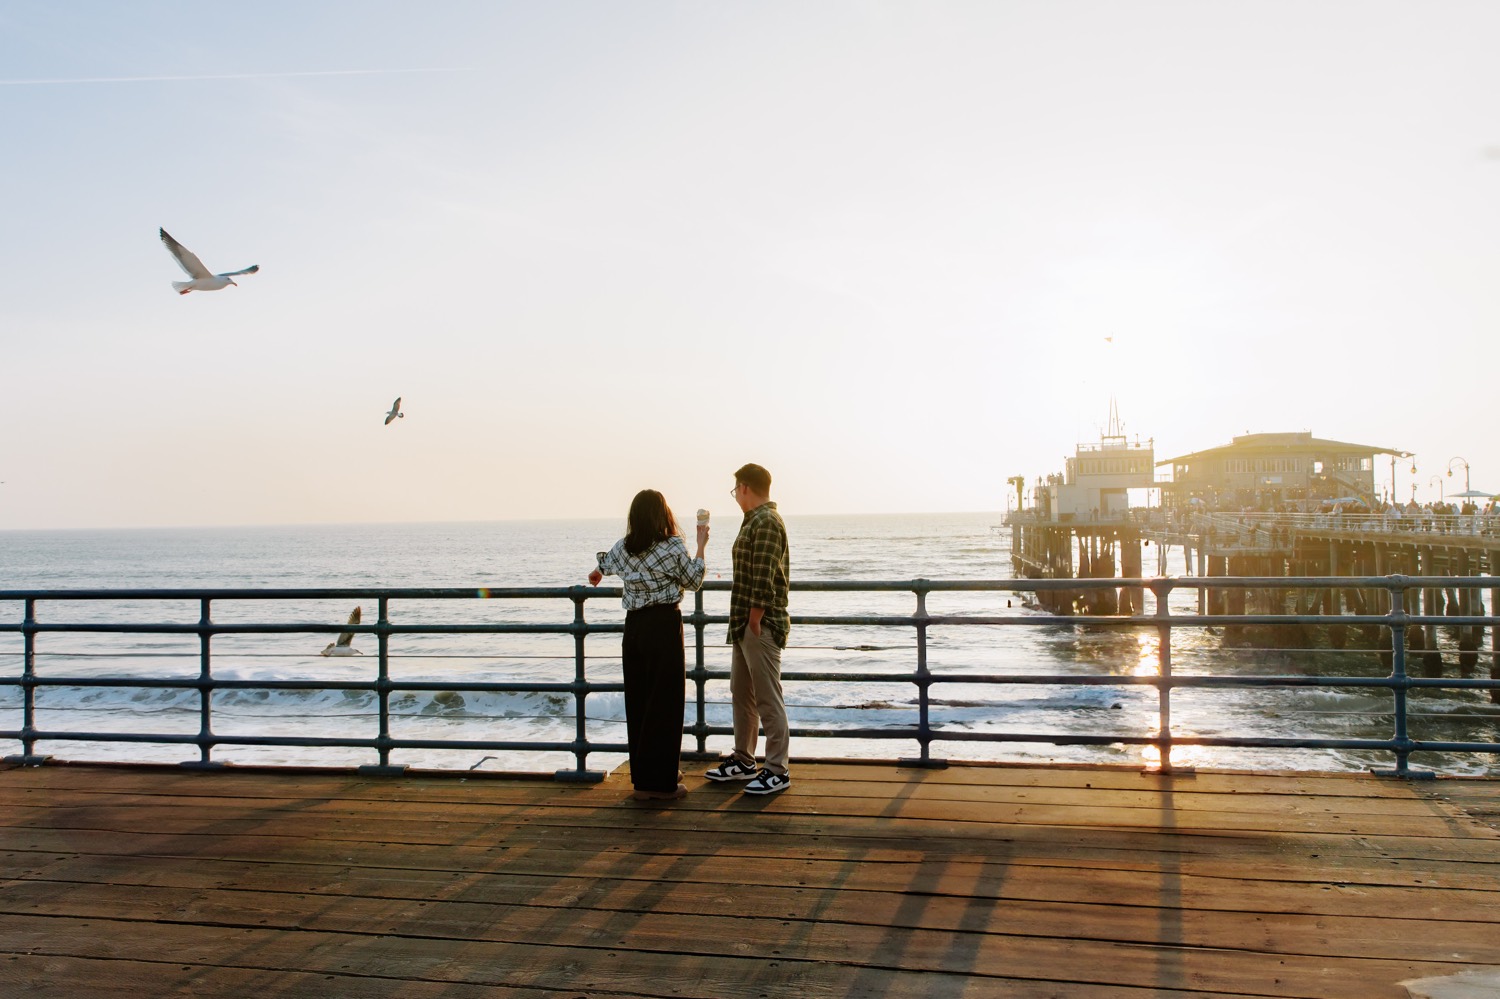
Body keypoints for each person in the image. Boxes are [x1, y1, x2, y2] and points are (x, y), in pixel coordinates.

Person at [590, 489, 707, 802]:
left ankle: (648, 776)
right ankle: (660, 785)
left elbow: (607, 562)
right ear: (662, 514)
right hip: (664, 625)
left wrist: (598, 572)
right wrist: (701, 545)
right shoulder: (671, 546)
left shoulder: (625, 546)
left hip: (635, 628)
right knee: (666, 702)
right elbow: (693, 580)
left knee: (640, 701)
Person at [705, 463, 792, 795]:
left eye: (735, 490)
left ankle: (777, 769)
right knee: (741, 692)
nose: (735, 497)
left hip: (760, 624)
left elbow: (764, 574)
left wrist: (755, 617)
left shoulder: (767, 521)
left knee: (768, 697)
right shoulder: (754, 520)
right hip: (744, 622)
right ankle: (743, 759)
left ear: (744, 487)